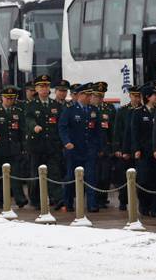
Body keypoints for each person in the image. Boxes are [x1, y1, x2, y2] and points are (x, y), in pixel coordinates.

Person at [58, 83, 100, 212]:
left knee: (91, 177)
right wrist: (67, 142)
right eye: (87, 95)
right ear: (80, 95)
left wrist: (97, 146)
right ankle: (68, 203)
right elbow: (62, 127)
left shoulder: (93, 110)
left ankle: (92, 205)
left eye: (90, 95)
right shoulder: (70, 110)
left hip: (89, 150)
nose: (89, 98)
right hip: (74, 150)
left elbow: (97, 130)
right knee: (71, 178)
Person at [25, 74, 64, 209]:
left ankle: (58, 198)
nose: (44, 89)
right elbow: (28, 119)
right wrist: (34, 126)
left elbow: (60, 124)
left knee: (54, 173)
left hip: (52, 145)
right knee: (35, 174)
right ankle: (35, 200)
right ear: (36, 88)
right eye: (41, 86)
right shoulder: (31, 105)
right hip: (36, 145)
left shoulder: (55, 105)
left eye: (46, 86)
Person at [0, 85, 28, 209]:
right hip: (0, 148)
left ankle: (20, 199)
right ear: (2, 98)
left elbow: (23, 129)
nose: (10, 101)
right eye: (7, 98)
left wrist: (24, 145)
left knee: (16, 175)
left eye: (12, 98)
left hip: (14, 148)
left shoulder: (18, 111)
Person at [131, 84, 156, 217]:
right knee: (144, 180)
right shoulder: (138, 113)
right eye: (154, 95)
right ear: (148, 97)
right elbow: (135, 132)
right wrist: (136, 149)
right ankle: (144, 206)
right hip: (144, 152)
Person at [113, 85, 142, 211]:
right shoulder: (123, 111)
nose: (136, 98)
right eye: (134, 96)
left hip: (140, 149)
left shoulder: (143, 109)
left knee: (142, 178)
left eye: (138, 96)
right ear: (130, 96)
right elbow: (117, 131)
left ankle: (142, 203)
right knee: (124, 177)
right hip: (126, 148)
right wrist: (118, 148)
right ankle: (123, 201)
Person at [91, 84, 115, 208]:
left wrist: (113, 147)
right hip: (93, 148)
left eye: (101, 96)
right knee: (95, 175)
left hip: (106, 147)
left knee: (105, 176)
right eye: (96, 96)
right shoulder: (89, 109)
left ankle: (103, 198)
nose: (99, 98)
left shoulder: (109, 109)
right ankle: (94, 199)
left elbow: (113, 130)